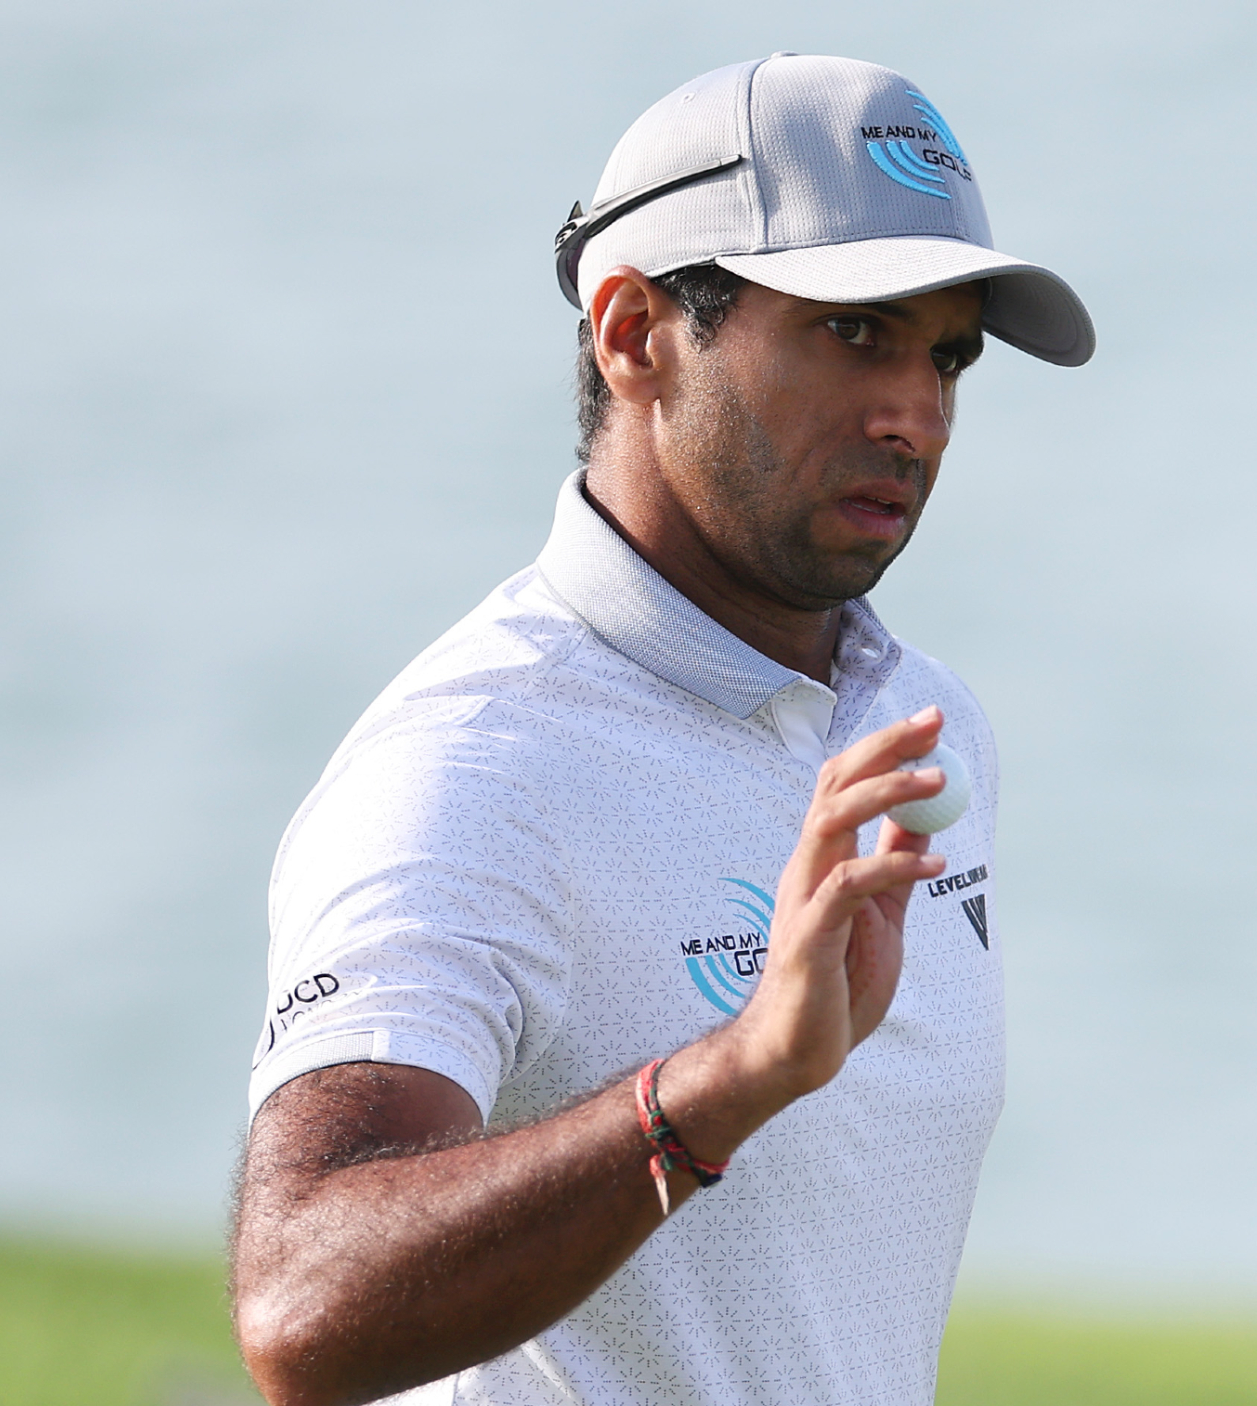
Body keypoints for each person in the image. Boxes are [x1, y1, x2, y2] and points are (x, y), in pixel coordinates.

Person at [229, 53, 1095, 1406]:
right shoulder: (471, 768)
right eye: (852, 331)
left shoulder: (931, 734)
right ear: (633, 332)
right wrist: (731, 1081)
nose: (915, 416)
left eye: (945, 355)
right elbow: (302, 1302)